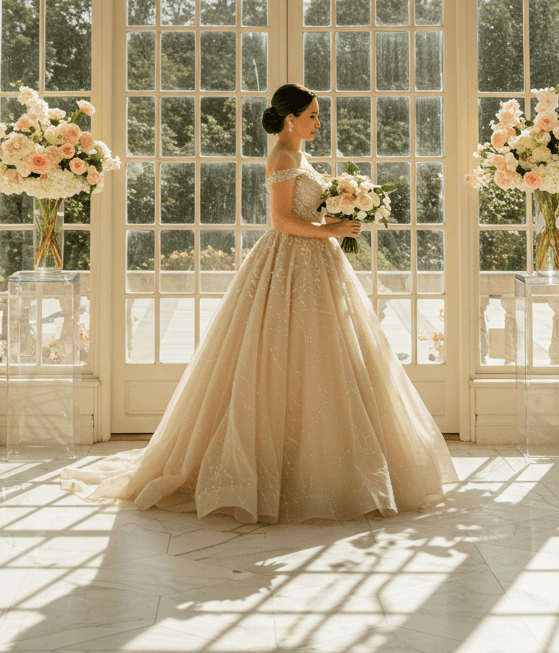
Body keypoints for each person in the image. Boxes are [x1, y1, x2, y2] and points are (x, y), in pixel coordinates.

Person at [61, 84, 455, 522]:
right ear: (291, 120)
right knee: (274, 356)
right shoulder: (283, 158)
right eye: (313, 116)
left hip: (318, 264)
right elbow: (282, 220)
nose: (318, 123)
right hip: (287, 262)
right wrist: (332, 232)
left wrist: (341, 215)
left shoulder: (302, 158)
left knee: (329, 356)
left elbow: (309, 214)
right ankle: (276, 476)